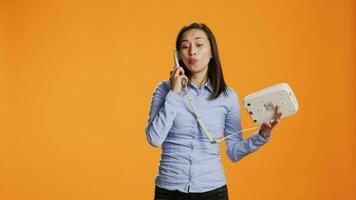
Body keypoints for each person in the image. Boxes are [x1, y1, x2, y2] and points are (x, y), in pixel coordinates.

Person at [145, 22, 282, 200]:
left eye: (199, 45)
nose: (192, 51)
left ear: (211, 52)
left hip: (212, 191)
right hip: (169, 191)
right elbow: (154, 139)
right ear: (177, 56)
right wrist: (175, 93)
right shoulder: (164, 90)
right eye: (185, 46)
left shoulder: (227, 96)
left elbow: (233, 151)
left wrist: (262, 134)